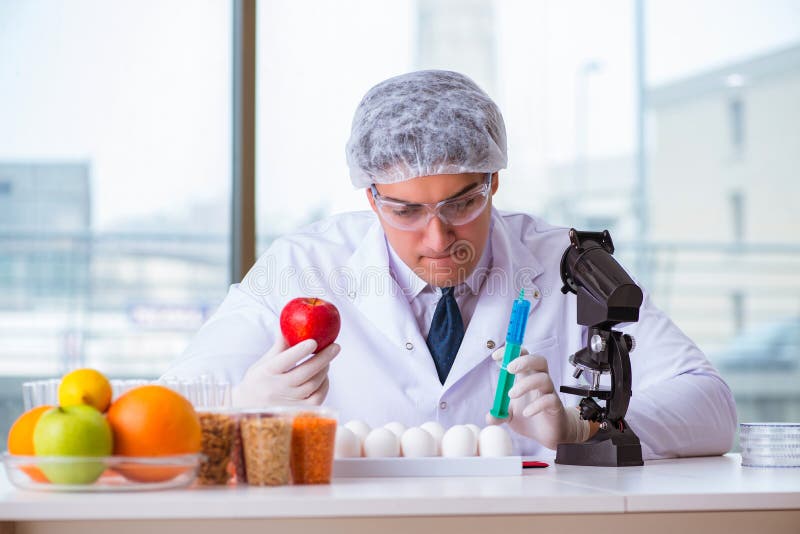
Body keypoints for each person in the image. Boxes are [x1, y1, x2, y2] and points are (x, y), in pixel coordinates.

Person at [164, 70, 736, 459]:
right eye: (406, 210)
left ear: (494, 181)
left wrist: (583, 427)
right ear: (371, 197)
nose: (437, 238)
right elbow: (167, 407)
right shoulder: (303, 265)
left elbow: (710, 402)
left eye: (462, 203)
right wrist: (244, 404)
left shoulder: (565, 260)